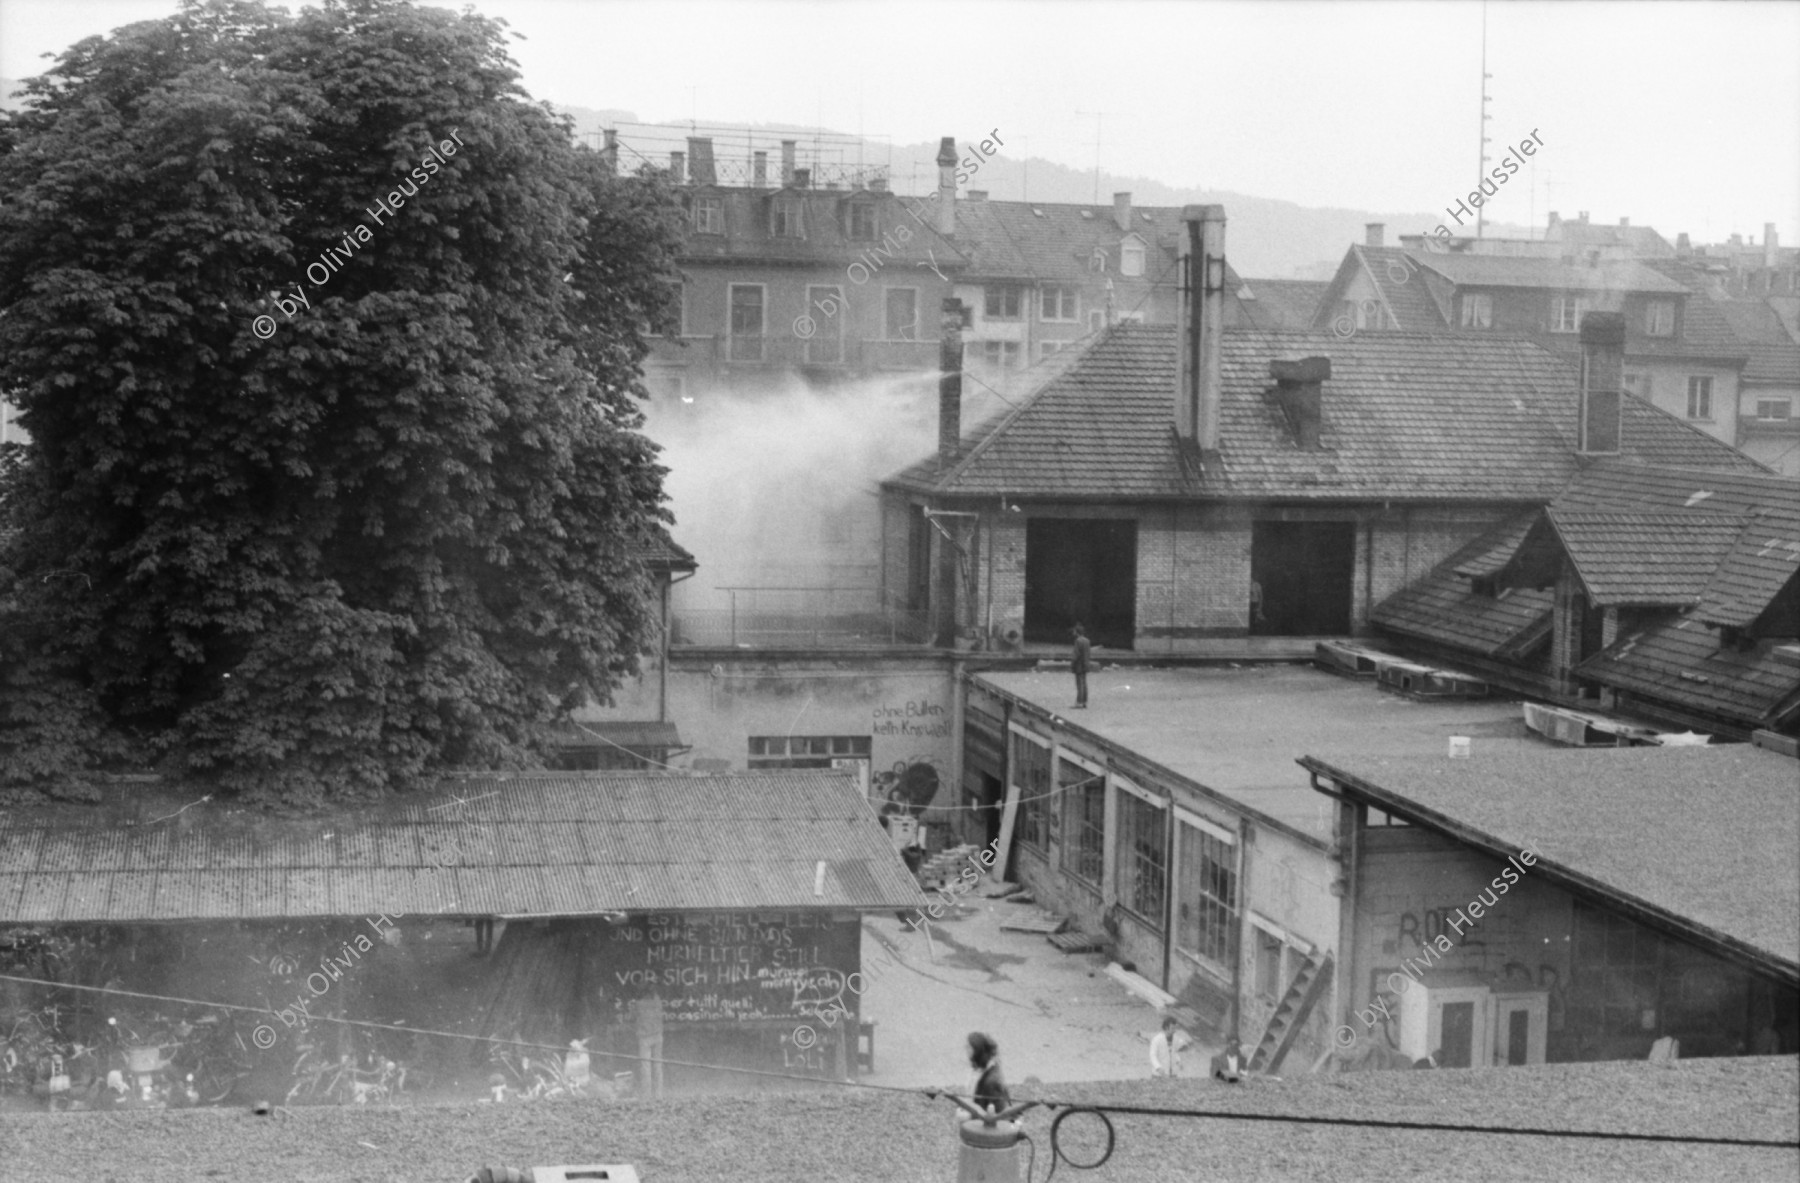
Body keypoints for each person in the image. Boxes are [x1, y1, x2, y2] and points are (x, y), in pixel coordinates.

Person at [967, 1031, 1010, 1115]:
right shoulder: (980, 1071)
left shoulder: (991, 1081)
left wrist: (969, 1116)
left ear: (977, 1051)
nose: (966, 1050)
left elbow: (1000, 1114)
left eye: (969, 1048)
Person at [632, 993, 665, 1098]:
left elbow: (633, 1016)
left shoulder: (638, 1004)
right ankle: (658, 1094)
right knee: (658, 1065)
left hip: (644, 1036)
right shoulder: (657, 1000)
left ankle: (646, 1094)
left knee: (645, 1066)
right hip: (657, 1034)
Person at [1070, 624, 1092, 708]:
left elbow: (1076, 654)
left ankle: (1079, 702)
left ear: (1077, 632)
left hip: (1079, 665)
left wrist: (1072, 664)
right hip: (1085, 664)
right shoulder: (1087, 641)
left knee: (1079, 684)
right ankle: (1084, 702)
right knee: (1084, 684)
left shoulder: (1078, 641)